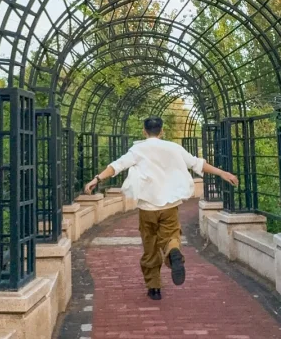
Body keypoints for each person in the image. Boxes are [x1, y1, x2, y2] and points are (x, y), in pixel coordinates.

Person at [84, 117, 239, 300]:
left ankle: (154, 288)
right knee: (171, 236)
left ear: (144, 131)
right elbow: (197, 164)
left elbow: (116, 166)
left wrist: (97, 179)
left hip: (147, 207)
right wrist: (222, 173)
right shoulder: (174, 148)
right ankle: (173, 250)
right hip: (170, 205)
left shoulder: (137, 150)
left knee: (150, 245)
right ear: (162, 131)